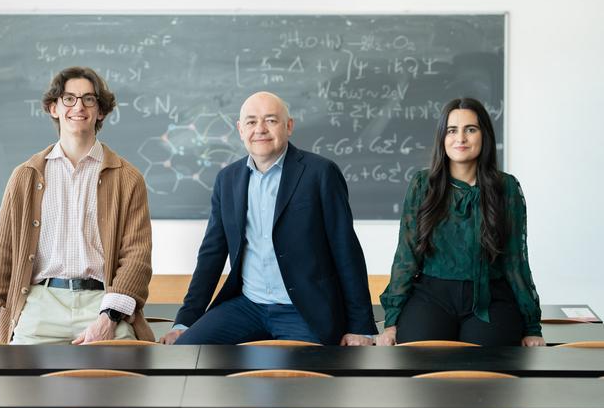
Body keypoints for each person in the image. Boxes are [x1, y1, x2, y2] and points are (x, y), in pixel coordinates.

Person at [160, 91, 377, 346]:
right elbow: (211, 254)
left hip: (302, 310)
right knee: (186, 349)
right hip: (247, 306)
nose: (260, 129)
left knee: (308, 379)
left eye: (271, 120)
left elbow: (346, 250)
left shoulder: (320, 173)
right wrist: (185, 321)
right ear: (240, 129)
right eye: (251, 122)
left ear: (289, 126)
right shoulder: (228, 180)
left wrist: (361, 327)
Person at [0, 66, 154, 344]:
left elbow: (136, 257)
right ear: (53, 108)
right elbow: (3, 249)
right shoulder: (26, 175)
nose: (78, 106)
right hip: (40, 304)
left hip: (103, 303)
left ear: (101, 110)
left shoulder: (127, 178)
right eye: (68, 98)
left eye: (88, 99)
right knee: (21, 384)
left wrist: (108, 318)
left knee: (120, 381)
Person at [377, 97, 544, 347]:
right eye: (452, 130)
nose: (461, 139)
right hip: (431, 296)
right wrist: (391, 322)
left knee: (485, 374)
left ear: (484, 135)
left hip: (490, 298)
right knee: (418, 362)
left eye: (471, 130)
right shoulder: (423, 184)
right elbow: (406, 255)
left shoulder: (506, 187)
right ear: (442, 138)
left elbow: (516, 260)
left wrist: (532, 327)